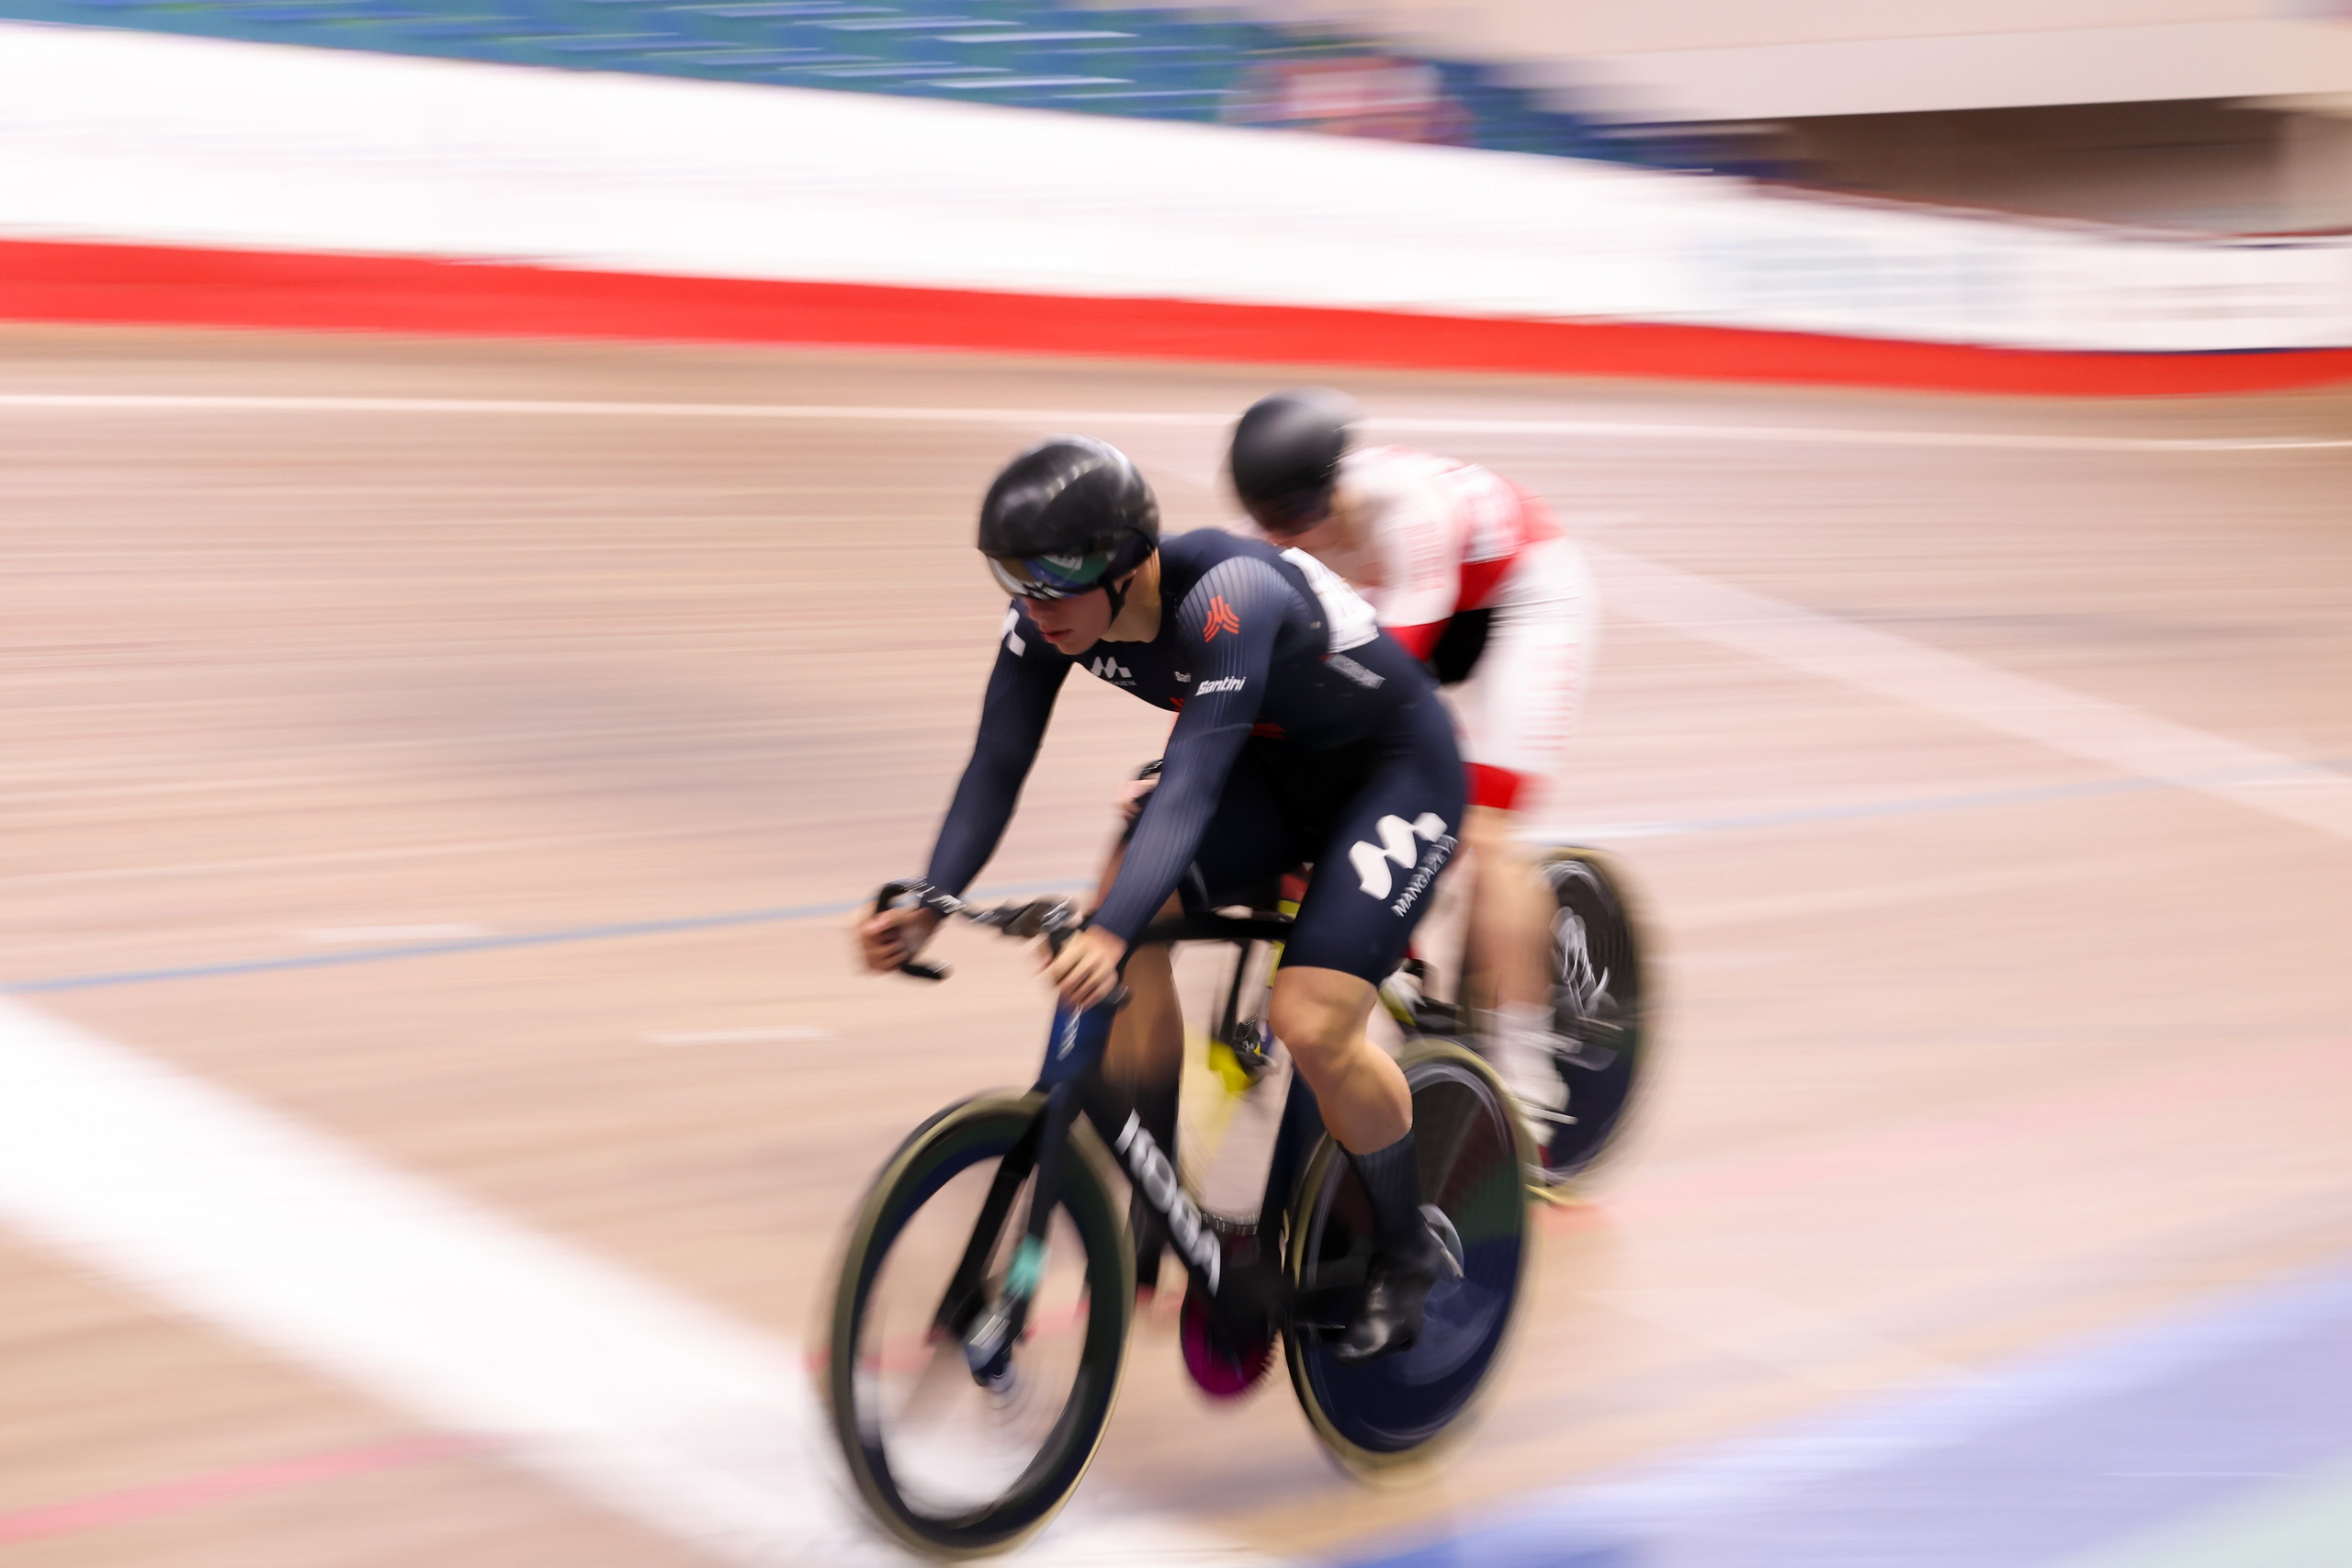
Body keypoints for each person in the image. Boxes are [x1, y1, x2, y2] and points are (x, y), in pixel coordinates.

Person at [856, 435, 1464, 1362]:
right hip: (1270, 769)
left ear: (1129, 559)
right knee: (1124, 933)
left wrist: (1105, 929)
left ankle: (1408, 1248)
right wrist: (930, 901)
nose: (1032, 602)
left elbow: (1190, 783)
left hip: (1392, 775)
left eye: (1054, 579)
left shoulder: (1232, 593)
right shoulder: (1043, 621)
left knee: (1308, 1019)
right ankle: (1155, 1199)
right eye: (1012, 578)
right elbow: (995, 766)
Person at [1227, 389, 1599, 1143]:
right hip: (1395, 596)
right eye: (1276, 524)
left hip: (1518, 600)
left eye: (1306, 516)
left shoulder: (1409, 512)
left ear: (1340, 486)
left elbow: (1389, 682)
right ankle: (1403, 949)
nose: (1294, 535)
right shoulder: (1265, 538)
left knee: (1484, 830)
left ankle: (1527, 1066)